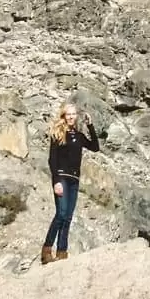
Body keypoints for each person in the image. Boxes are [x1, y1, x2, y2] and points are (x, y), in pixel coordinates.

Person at [41, 101, 101, 264]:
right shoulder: (58, 133)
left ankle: (62, 252)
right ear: (63, 116)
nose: (71, 117)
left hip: (74, 180)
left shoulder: (79, 136)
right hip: (61, 178)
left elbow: (95, 147)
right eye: (68, 114)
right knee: (60, 214)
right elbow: (52, 160)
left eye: (73, 114)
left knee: (68, 217)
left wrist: (90, 126)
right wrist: (56, 181)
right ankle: (47, 249)